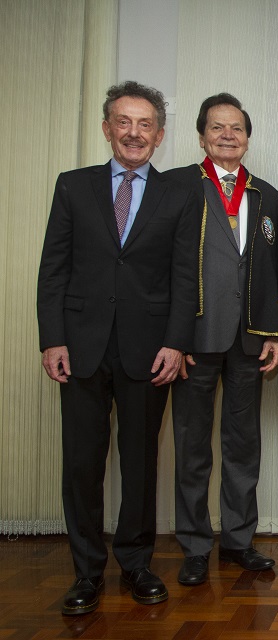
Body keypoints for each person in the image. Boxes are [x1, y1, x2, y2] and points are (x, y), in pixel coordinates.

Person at [37, 81, 200, 614]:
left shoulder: (179, 194)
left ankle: (136, 563)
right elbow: (53, 270)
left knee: (140, 461)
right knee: (82, 463)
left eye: (145, 124)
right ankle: (86, 572)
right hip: (80, 347)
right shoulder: (73, 186)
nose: (134, 133)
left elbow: (184, 276)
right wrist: (53, 338)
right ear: (107, 128)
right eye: (123, 123)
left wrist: (177, 344)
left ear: (158, 135)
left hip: (147, 350)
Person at [164, 93, 278, 585]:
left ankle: (238, 540)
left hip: (249, 337)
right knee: (193, 445)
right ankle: (194, 545)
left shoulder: (267, 195)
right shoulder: (176, 187)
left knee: (243, 444)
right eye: (218, 128)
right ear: (201, 136)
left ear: (248, 138)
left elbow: (275, 269)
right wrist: (172, 337)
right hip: (194, 335)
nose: (228, 135)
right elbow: (160, 268)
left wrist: (274, 330)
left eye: (236, 128)